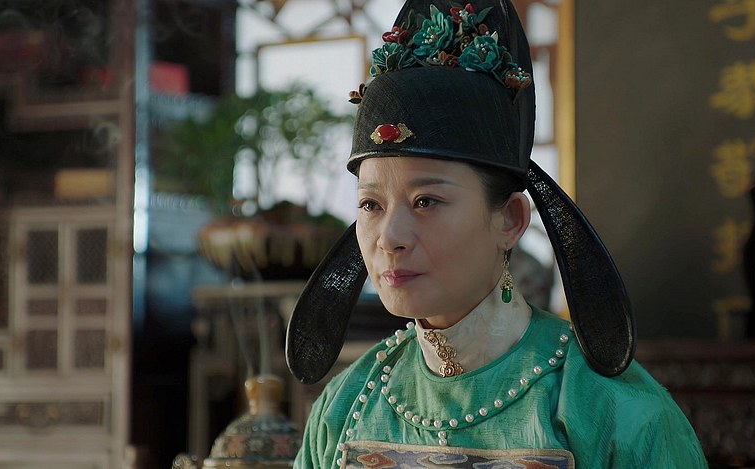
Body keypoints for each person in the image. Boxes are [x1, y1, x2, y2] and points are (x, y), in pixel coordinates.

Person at [285, 0, 709, 467]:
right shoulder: (345, 407)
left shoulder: (615, 413)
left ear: (509, 219)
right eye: (371, 205)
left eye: (426, 201)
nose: (389, 237)